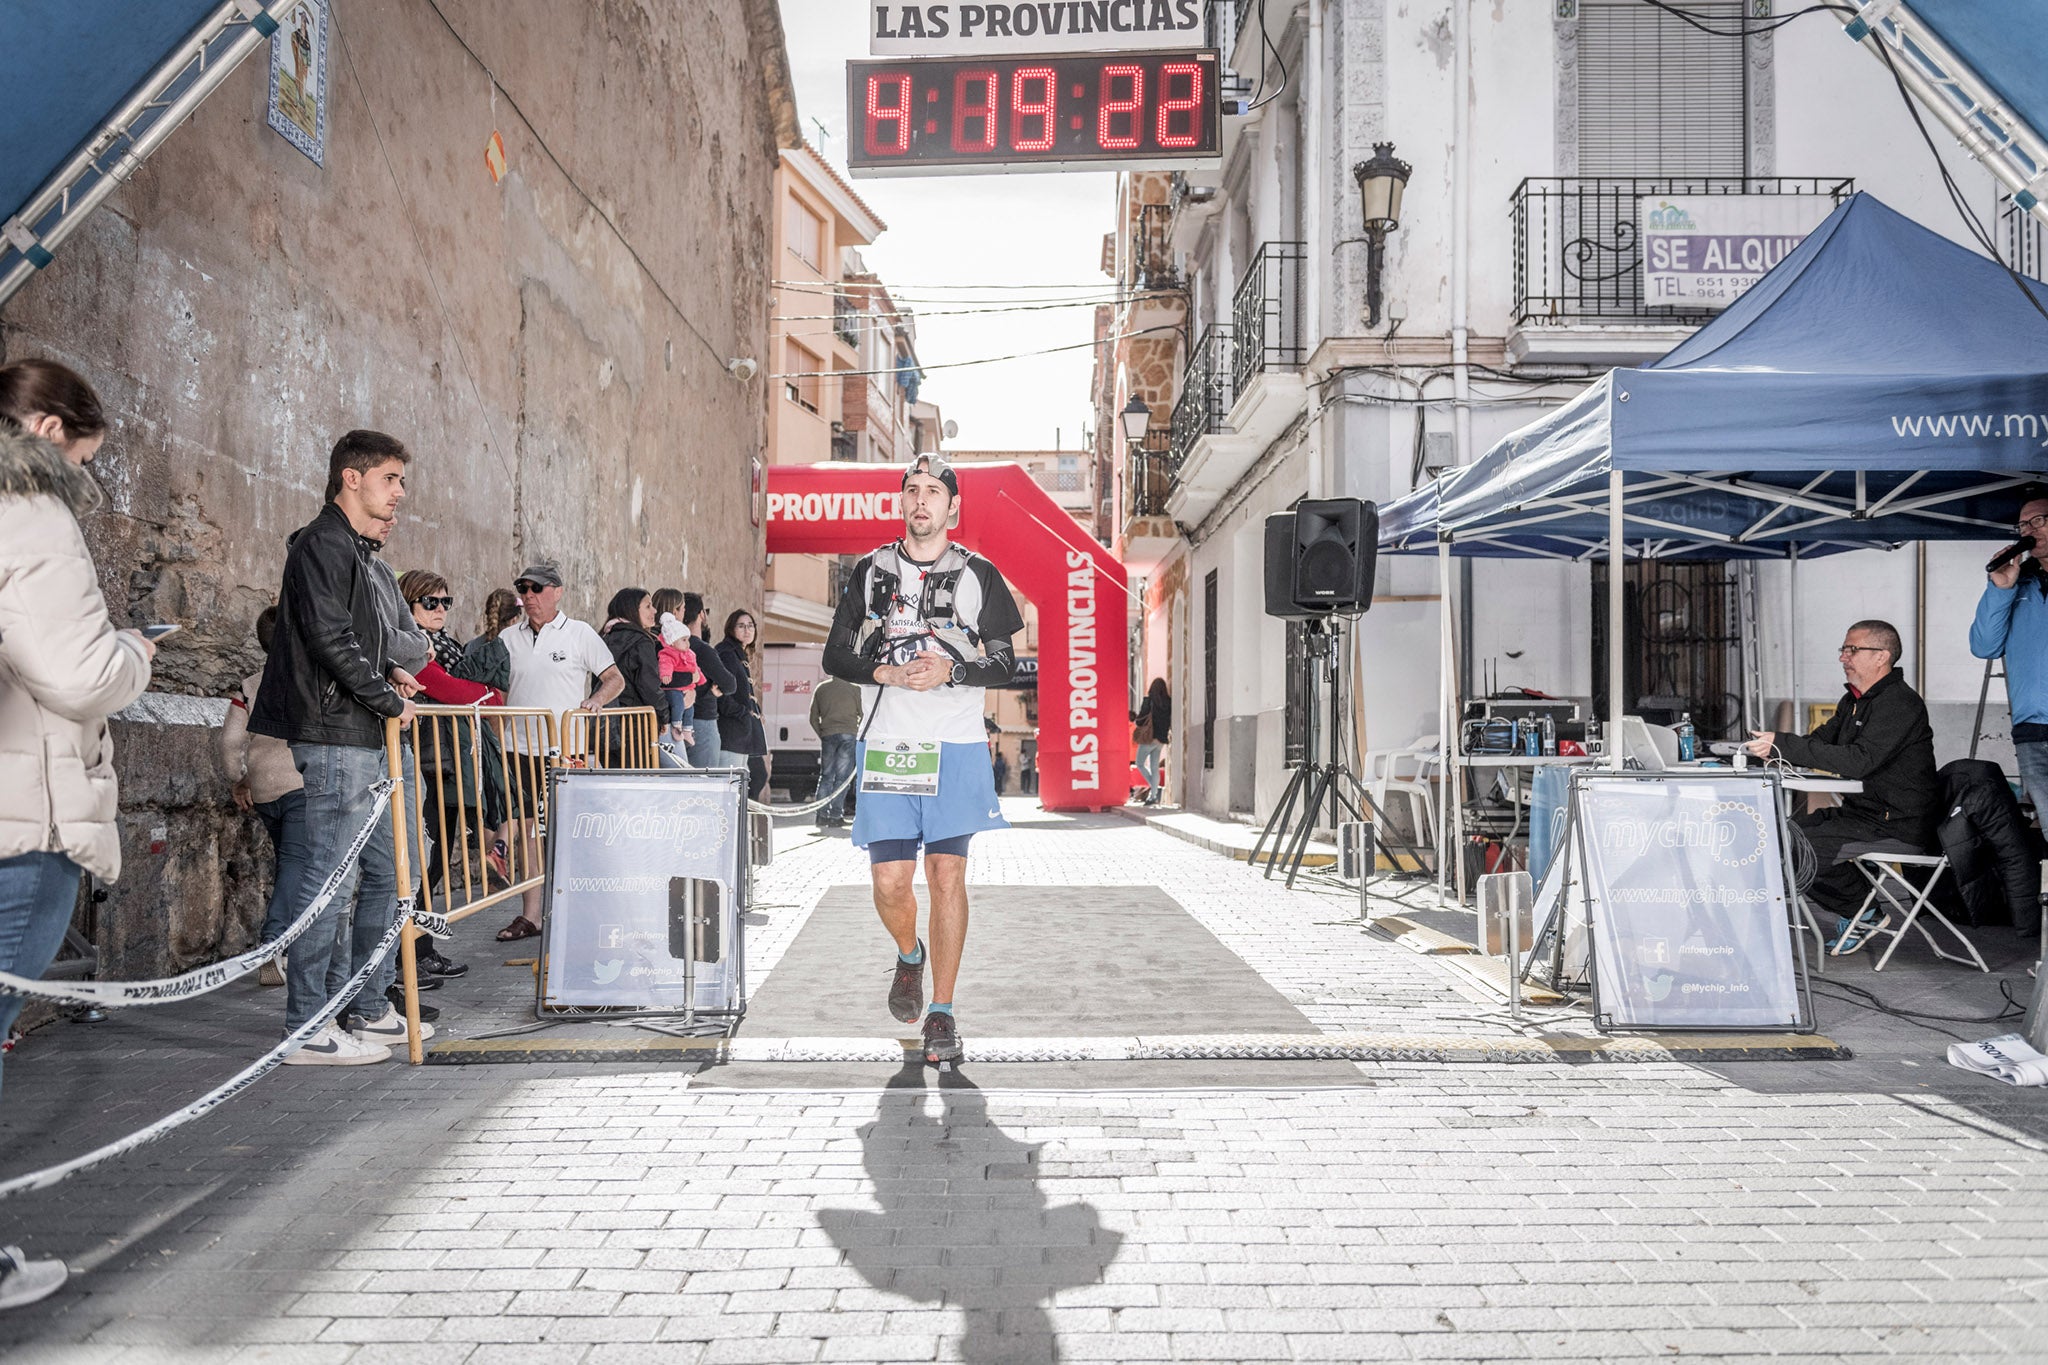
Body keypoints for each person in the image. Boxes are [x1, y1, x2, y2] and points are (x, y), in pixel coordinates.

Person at [0, 362, 156, 1215]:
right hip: (26, 818)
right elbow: (78, 672)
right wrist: (135, 652)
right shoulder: (29, 510)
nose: (82, 480)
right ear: (53, 433)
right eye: (86, 461)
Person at [822, 454, 1022, 1066]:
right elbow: (836, 656)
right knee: (888, 882)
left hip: (956, 747)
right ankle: (910, 955)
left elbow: (1006, 664)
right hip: (888, 745)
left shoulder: (980, 574)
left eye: (933, 491)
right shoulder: (869, 571)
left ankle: (942, 1012)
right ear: (902, 501)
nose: (921, 501)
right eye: (912, 490)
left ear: (952, 506)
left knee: (946, 876)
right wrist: (882, 668)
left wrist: (952, 670)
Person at [249, 429, 420, 1066]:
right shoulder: (322, 542)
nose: (400, 493)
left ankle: (366, 1007)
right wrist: (387, 698)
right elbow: (328, 637)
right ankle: (307, 1027)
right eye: (391, 479)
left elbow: (357, 640)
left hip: (362, 732)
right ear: (353, 477)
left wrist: (390, 675)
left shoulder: (353, 549)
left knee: (385, 872)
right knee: (327, 879)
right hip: (335, 735)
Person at [1745, 619, 1940, 952]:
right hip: (1862, 815)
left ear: (1882, 656)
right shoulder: (1853, 702)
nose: (1843, 657)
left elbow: (1858, 760)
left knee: (1800, 849)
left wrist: (1786, 744)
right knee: (1778, 836)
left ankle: (1863, 912)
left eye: (1852, 649)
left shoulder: (1899, 704)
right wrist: (1769, 751)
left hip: (1896, 824)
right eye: (1843, 649)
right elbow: (1820, 742)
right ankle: (1860, 908)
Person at [495, 563, 623, 940]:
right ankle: (531, 916)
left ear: (558, 591)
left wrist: (596, 700)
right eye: (523, 588)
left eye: (537, 588)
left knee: (570, 832)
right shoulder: (507, 637)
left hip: (566, 750)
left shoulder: (580, 633)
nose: (529, 595)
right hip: (517, 748)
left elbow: (614, 678)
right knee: (531, 833)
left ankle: (578, 911)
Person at [399, 569, 500, 981]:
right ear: (409, 605)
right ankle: (407, 957)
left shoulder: (445, 645)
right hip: (426, 763)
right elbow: (452, 690)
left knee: (437, 861)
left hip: (447, 764)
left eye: (445, 602)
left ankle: (423, 949)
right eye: (430, 602)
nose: (440, 609)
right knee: (424, 865)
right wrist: (485, 693)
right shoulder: (412, 646)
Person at [220, 606, 307, 987]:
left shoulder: (250, 685)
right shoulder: (306, 678)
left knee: (289, 866)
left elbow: (229, 742)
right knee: (296, 868)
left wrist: (239, 780)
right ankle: (273, 944)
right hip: (301, 785)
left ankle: (291, 945)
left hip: (264, 791)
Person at [1972, 495, 2048, 828]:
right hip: (2032, 729)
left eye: (2039, 521)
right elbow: (1984, 646)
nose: (2029, 530)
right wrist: (2001, 588)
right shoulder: (2018, 583)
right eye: (2023, 525)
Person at [461, 588, 521, 884]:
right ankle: (499, 851)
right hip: (498, 731)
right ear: (517, 616)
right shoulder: (509, 646)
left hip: (471, 730)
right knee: (516, 802)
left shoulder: (472, 645)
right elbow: (504, 698)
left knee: (486, 803)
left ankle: (492, 861)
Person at [599, 587, 673, 762]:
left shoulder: (604, 637)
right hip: (635, 727)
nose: (654, 611)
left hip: (607, 726)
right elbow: (649, 686)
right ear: (631, 610)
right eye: (648, 606)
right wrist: (663, 716)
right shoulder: (641, 641)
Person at [716, 609, 769, 798]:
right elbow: (723, 693)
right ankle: (736, 825)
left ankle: (742, 823)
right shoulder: (727, 653)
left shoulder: (739, 653)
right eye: (741, 626)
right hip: (732, 731)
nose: (747, 630)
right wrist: (743, 712)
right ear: (731, 628)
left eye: (750, 626)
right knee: (732, 785)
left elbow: (744, 692)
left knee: (755, 777)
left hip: (743, 730)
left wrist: (756, 711)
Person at [678, 592, 736, 767]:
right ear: (701, 614)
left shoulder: (668, 646)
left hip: (676, 721)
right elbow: (730, 684)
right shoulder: (702, 649)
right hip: (702, 720)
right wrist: (712, 690)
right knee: (703, 781)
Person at [809, 672, 863, 829]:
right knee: (842, 779)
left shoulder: (821, 689)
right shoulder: (855, 689)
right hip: (849, 734)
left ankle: (821, 816)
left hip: (828, 734)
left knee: (825, 776)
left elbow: (812, 718)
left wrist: (823, 734)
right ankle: (835, 816)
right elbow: (863, 714)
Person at [651, 586, 700, 752]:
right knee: (678, 769)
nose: (685, 612)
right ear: (674, 611)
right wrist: (690, 679)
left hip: (669, 712)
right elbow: (661, 677)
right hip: (665, 717)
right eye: (683, 608)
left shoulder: (678, 638)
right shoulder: (660, 641)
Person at [1132, 677, 1171, 806]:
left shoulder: (1148, 701)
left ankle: (1154, 788)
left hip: (1148, 738)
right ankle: (1153, 795)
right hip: (1161, 739)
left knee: (1139, 764)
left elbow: (1140, 719)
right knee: (1154, 767)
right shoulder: (1168, 702)